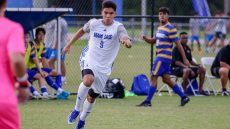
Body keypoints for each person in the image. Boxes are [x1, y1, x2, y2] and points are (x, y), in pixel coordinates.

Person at [62, 1, 132, 128]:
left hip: (104, 67)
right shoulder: (93, 23)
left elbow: (124, 37)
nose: (108, 16)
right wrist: (68, 45)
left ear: (115, 14)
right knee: (88, 80)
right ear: (102, 12)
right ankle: (76, 109)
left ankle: (82, 119)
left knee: (92, 97)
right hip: (90, 58)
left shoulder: (118, 27)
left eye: (111, 13)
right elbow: (81, 31)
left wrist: (126, 41)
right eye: (106, 13)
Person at [137, 7, 190, 107]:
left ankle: (148, 101)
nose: (162, 15)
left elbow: (178, 44)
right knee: (166, 80)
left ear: (168, 16)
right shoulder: (160, 28)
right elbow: (153, 41)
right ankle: (184, 97)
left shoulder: (171, 28)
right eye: (160, 14)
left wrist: (184, 58)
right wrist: (145, 38)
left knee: (153, 77)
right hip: (163, 58)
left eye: (164, 14)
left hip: (162, 57)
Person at [0, 0, 30, 128]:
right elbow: (17, 60)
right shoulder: (12, 28)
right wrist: (23, 84)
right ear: (5, 3)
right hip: (3, 99)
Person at [29, 28, 70, 99]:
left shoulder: (42, 45)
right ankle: (59, 91)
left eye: (42, 35)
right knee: (45, 74)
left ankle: (59, 94)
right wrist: (41, 64)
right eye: (39, 34)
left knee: (57, 73)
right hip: (31, 68)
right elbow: (33, 59)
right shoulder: (32, 44)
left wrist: (48, 69)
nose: (41, 36)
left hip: (37, 68)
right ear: (35, 35)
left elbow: (44, 59)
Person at [44, 4, 68, 84]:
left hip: (59, 46)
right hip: (54, 46)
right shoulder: (52, 20)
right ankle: (55, 76)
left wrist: (55, 45)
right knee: (51, 62)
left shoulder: (60, 22)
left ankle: (62, 78)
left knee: (59, 61)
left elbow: (59, 34)